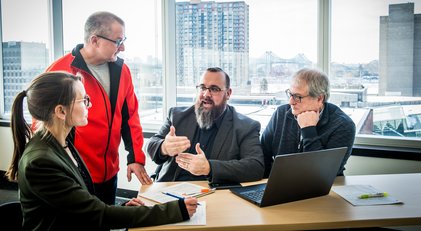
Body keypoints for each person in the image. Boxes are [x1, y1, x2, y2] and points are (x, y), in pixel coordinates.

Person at [5, 71, 197, 230]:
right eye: (83, 100)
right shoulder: (41, 162)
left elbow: (82, 206)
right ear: (61, 112)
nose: (89, 105)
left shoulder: (63, 142)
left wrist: (121, 209)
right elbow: (98, 215)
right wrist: (175, 210)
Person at [45, 11, 152, 205]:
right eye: (118, 41)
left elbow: (130, 117)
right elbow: (44, 126)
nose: (123, 47)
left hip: (109, 172)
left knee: (106, 220)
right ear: (95, 40)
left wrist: (135, 157)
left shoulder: (122, 70)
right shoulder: (60, 71)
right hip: (73, 173)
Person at [147, 67, 265, 182]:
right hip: (172, 191)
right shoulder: (177, 116)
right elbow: (150, 144)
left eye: (214, 89)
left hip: (214, 194)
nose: (206, 94)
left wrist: (209, 167)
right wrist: (164, 147)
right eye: (203, 88)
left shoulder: (246, 126)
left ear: (228, 93)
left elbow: (256, 167)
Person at [260, 68, 356, 178]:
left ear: (320, 98)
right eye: (290, 94)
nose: (291, 101)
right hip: (280, 185)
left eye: (298, 97)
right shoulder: (281, 113)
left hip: (324, 190)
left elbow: (324, 173)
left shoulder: (343, 125)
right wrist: (267, 185)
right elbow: (263, 155)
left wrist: (308, 130)